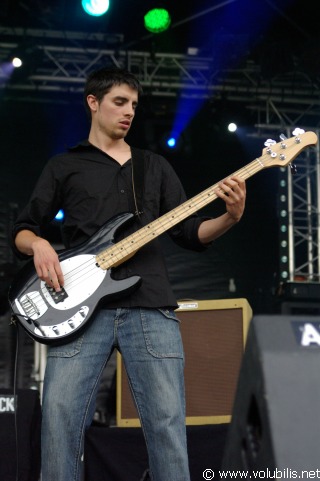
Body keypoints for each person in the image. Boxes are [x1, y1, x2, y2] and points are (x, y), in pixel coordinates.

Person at [12, 67, 246, 481]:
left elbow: (190, 233)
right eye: (120, 102)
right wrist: (40, 244)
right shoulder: (65, 165)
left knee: (167, 426)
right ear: (93, 102)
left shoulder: (153, 167)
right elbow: (23, 231)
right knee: (60, 422)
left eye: (134, 106)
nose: (129, 113)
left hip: (150, 306)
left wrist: (230, 217)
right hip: (78, 313)